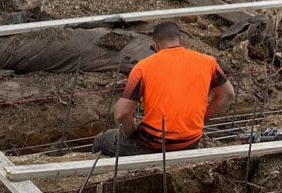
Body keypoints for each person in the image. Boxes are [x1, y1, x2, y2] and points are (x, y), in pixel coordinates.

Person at [92, 22, 234, 156]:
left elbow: (122, 114)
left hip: (154, 144)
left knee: (102, 140)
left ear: (155, 45)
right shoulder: (207, 62)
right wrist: (201, 120)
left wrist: (130, 132)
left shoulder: (143, 67)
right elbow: (227, 94)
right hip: (191, 140)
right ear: (181, 40)